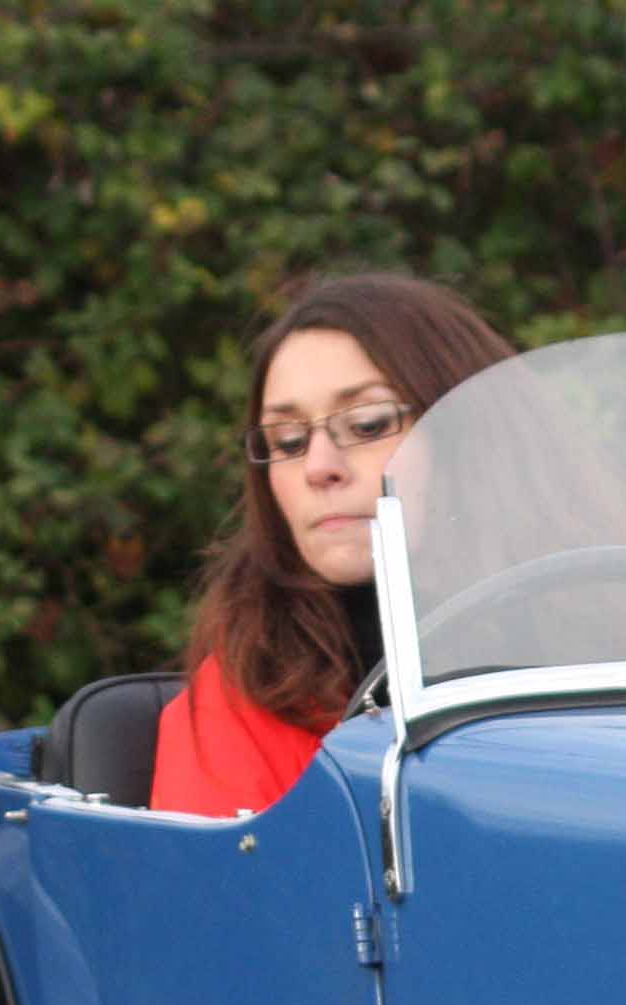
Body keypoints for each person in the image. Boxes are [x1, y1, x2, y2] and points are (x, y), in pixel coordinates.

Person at [150, 273, 515, 817]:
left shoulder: (613, 644)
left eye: (368, 426)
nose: (318, 467)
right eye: (288, 441)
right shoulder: (245, 700)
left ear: (469, 431)